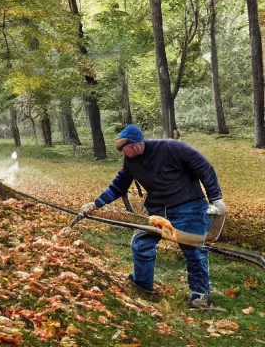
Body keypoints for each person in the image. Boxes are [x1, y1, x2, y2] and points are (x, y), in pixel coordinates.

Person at [81, 124, 226, 309]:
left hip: (189, 207)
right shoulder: (130, 161)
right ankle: (143, 288)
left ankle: (199, 298)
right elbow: (118, 186)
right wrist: (96, 203)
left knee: (194, 251)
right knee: (141, 243)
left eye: (124, 150)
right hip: (158, 212)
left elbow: (205, 169)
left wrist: (216, 199)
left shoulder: (172, 148)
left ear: (135, 145)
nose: (123, 155)